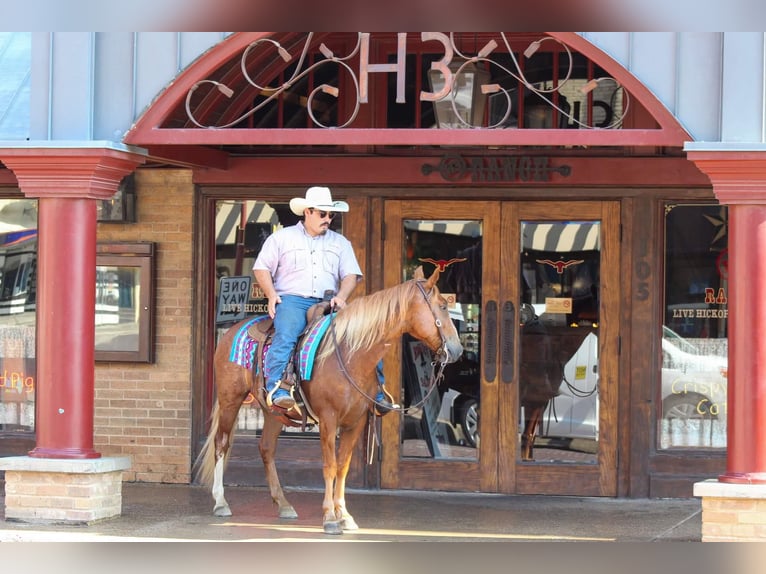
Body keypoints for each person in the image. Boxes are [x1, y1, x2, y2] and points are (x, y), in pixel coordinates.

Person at [252, 186, 395, 415]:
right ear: (307, 212)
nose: (328, 219)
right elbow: (261, 268)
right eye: (322, 214)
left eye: (331, 215)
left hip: (328, 301)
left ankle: (378, 392)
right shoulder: (281, 238)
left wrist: (341, 297)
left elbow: (350, 275)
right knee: (287, 334)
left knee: (364, 336)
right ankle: (277, 388)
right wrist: (271, 294)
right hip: (292, 300)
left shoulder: (340, 243)